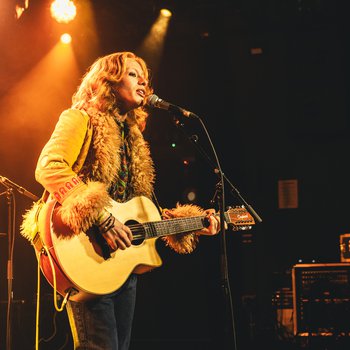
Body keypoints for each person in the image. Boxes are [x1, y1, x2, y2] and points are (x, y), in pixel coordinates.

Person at [20, 51, 220, 350]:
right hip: (84, 248)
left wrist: (190, 224)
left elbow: (139, 209)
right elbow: (48, 166)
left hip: (120, 263)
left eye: (145, 77)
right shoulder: (80, 118)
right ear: (108, 81)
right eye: (132, 74)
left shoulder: (134, 137)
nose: (143, 82)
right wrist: (102, 217)